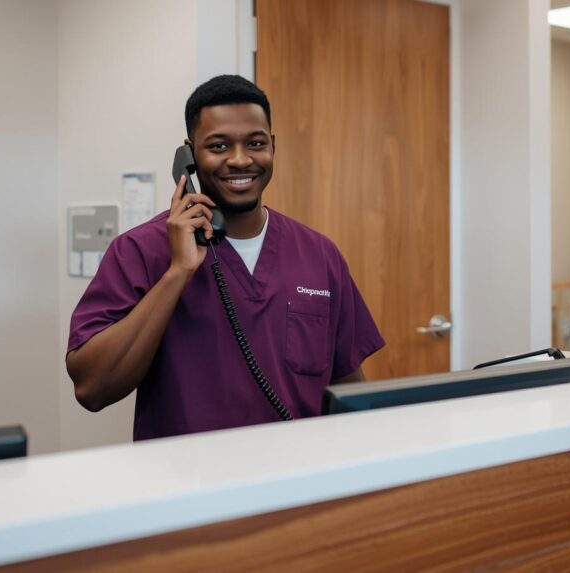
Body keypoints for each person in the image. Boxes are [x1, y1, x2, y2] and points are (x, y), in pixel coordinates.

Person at [66, 75, 385, 440]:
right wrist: (178, 273)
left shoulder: (320, 254)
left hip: (300, 482)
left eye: (255, 143)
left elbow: (348, 389)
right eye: (218, 146)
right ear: (189, 155)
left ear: (273, 146)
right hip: (187, 487)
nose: (240, 159)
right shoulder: (140, 250)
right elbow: (91, 388)